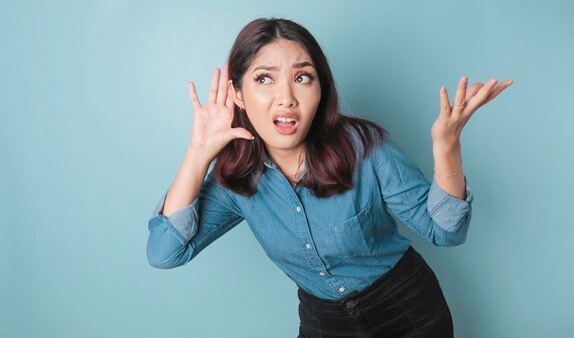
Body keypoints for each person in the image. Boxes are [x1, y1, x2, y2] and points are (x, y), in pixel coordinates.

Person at [146, 17, 513, 337]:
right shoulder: (235, 180)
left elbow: (445, 232)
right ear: (238, 94)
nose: (286, 97)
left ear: (320, 90)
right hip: (325, 323)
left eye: (302, 77)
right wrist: (198, 154)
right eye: (264, 79)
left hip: (406, 310)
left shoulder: (366, 147)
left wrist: (446, 146)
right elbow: (164, 253)